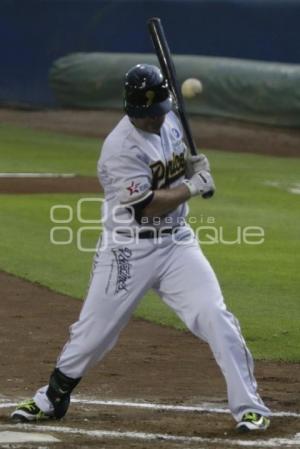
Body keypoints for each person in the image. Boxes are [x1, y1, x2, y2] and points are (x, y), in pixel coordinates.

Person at [11, 64, 271, 432]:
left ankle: (249, 406)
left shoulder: (172, 118)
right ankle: (52, 398)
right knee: (94, 333)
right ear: (130, 110)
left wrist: (193, 168)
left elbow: (176, 167)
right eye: (144, 115)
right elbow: (146, 205)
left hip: (177, 242)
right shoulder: (119, 148)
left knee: (214, 315)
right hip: (127, 249)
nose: (152, 120)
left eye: (156, 113)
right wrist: (193, 186)